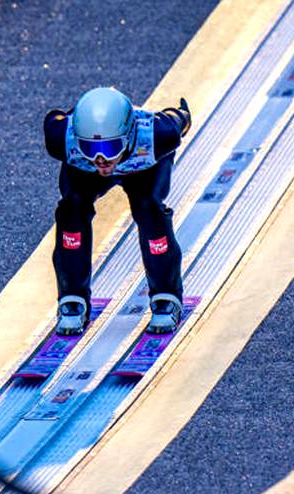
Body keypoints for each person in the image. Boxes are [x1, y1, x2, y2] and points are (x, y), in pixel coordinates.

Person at [43, 87, 191, 336]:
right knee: (71, 209)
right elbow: (57, 119)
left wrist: (183, 113)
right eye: (89, 148)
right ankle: (71, 297)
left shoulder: (160, 134)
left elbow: (178, 119)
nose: (101, 159)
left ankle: (166, 294)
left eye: (111, 147)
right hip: (85, 172)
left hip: (144, 169)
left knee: (149, 208)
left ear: (130, 134)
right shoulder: (61, 138)